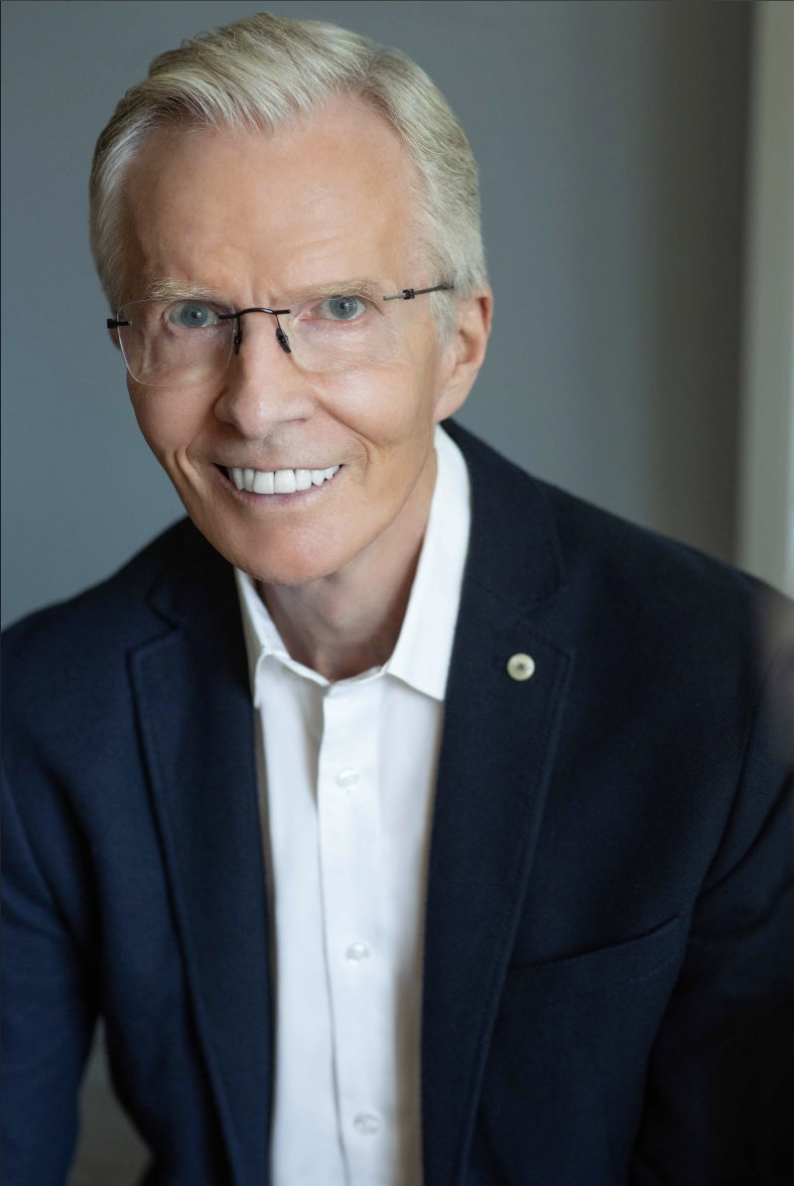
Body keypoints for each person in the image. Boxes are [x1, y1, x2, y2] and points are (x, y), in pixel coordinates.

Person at [2, 10, 792, 1186]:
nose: (258, 402)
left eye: (338, 308)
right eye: (194, 317)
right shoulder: (42, 712)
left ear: (459, 343)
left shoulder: (731, 687)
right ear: (129, 347)